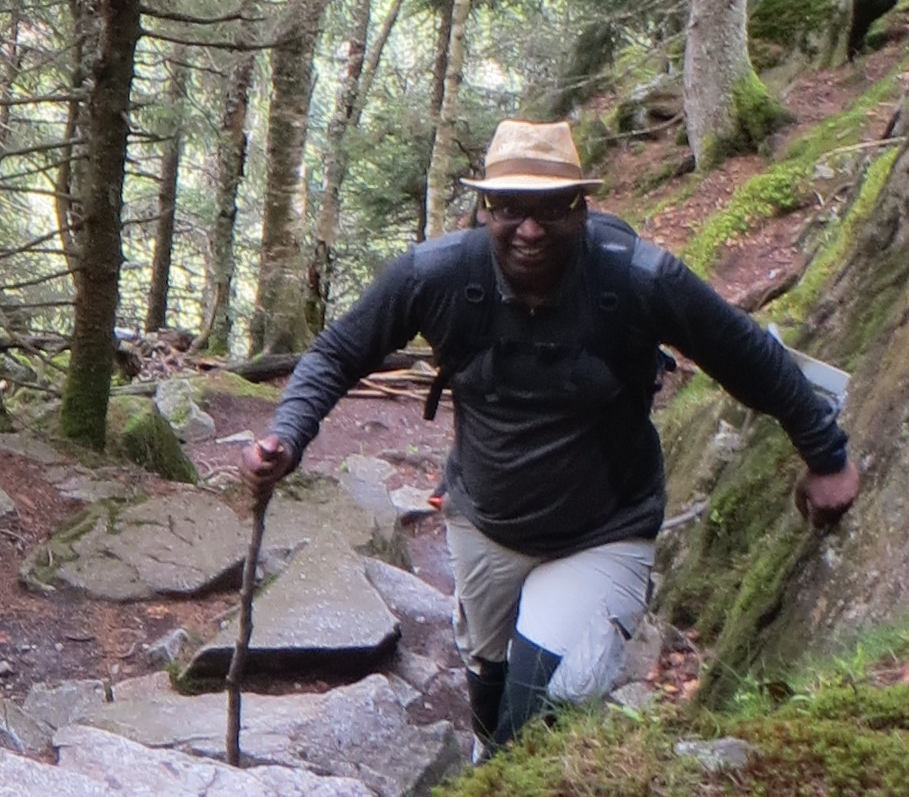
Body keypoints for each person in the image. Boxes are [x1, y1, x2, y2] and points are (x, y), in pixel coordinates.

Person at [241, 115, 859, 749]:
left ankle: (503, 791)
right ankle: (487, 767)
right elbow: (337, 353)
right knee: (490, 697)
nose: (530, 229)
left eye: (551, 209)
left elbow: (746, 355)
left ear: (581, 209)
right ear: (485, 209)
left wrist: (826, 455)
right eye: (510, 208)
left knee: (543, 709)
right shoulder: (436, 277)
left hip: (603, 532)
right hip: (483, 523)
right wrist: (288, 437)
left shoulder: (638, 280)